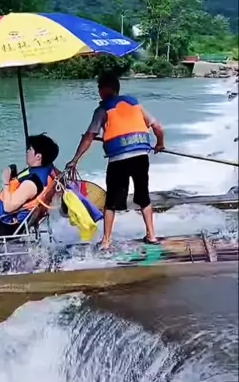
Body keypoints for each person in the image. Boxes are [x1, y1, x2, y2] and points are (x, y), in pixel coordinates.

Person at [65, 72, 165, 249]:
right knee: (143, 196)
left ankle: (106, 241)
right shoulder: (134, 104)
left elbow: (89, 137)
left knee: (111, 201)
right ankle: (151, 235)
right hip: (141, 156)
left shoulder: (102, 110)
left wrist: (75, 159)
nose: (99, 92)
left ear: (104, 90)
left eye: (99, 88)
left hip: (119, 160)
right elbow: (157, 127)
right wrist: (160, 144)